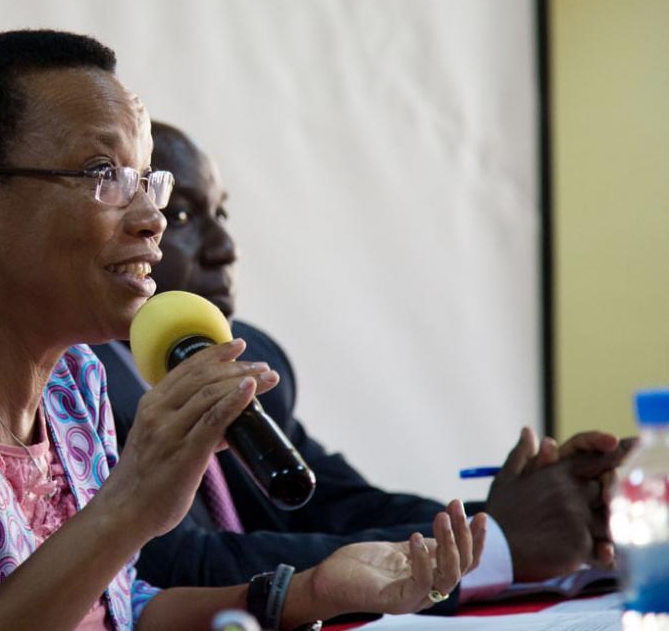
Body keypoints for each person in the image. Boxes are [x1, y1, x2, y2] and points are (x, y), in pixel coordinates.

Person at [0, 30, 487, 630]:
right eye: (104, 175)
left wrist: (308, 592)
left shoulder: (74, 376)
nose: (152, 217)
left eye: (148, 178)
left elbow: (113, 607)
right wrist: (126, 509)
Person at [91, 121, 632, 610]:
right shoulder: (83, 381)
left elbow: (334, 504)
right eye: (182, 214)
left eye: (221, 212)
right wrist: (501, 545)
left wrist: (500, 522)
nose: (226, 247)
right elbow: (175, 566)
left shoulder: (245, 354)